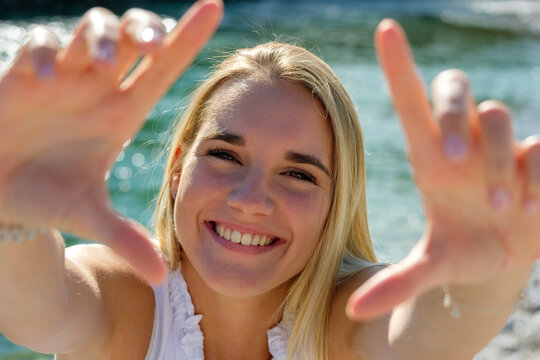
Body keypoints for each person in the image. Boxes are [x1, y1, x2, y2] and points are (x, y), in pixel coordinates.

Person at [0, 0, 538, 359]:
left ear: (335, 204)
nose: (251, 199)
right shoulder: (127, 297)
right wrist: (14, 208)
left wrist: (490, 275)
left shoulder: (350, 320)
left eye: (299, 174)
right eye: (226, 156)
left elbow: (433, 333)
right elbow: (35, 310)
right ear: (176, 170)